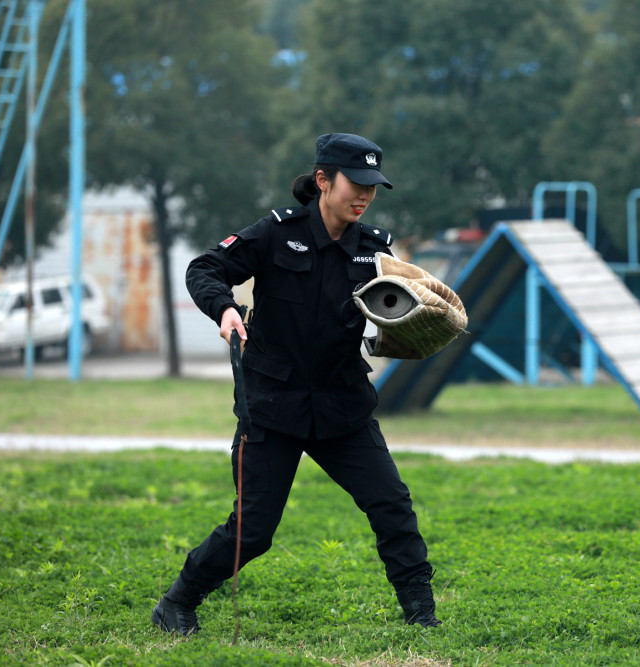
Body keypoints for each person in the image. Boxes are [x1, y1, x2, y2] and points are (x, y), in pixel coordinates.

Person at [151, 133, 441, 635]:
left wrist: (414, 324)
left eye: (374, 186)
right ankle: (178, 602)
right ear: (324, 180)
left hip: (342, 404)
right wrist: (223, 307)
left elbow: (404, 308)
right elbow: (206, 267)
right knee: (254, 531)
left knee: (391, 504)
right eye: (358, 183)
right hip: (272, 404)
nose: (366, 195)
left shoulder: (376, 249)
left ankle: (422, 614)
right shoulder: (275, 233)